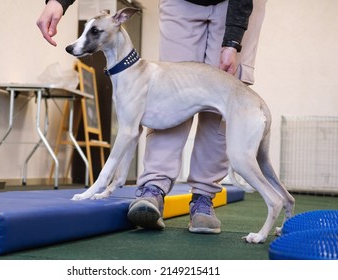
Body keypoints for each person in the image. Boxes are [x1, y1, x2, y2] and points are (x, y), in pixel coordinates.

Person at [37, 0, 267, 233]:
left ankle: (204, 196)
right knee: (168, 91)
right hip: (181, 3)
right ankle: (154, 187)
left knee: (223, 101)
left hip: (237, 5)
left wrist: (232, 41)